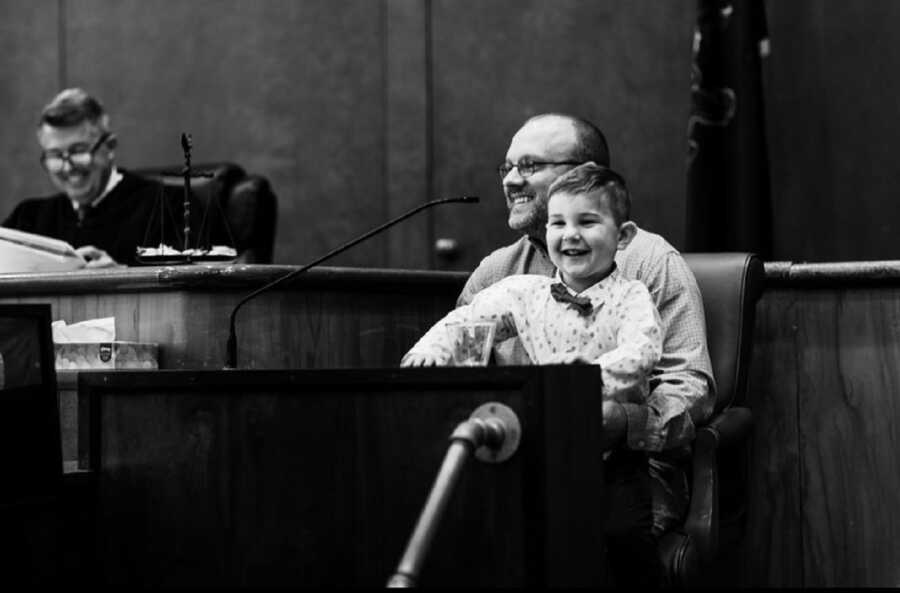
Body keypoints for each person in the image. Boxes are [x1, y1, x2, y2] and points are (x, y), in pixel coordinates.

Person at [457, 113, 716, 583]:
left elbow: (690, 385)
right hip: (520, 457)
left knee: (574, 535)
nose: (512, 180)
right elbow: (458, 368)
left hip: (631, 469)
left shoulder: (651, 262)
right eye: (507, 167)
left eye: (530, 165)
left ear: (582, 173)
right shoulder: (496, 275)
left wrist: (624, 425)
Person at [405, 162, 665, 586]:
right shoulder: (524, 293)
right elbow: (469, 324)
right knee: (539, 543)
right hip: (545, 447)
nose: (570, 234)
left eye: (588, 222)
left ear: (623, 237)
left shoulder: (632, 296)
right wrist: (430, 353)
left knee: (623, 541)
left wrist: (583, 380)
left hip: (612, 457)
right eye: (558, 223)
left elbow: (641, 353)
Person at [2, 88, 213, 267]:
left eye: (79, 151)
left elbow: (201, 287)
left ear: (109, 147)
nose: (68, 167)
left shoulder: (171, 208)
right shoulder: (27, 219)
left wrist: (120, 276)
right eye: (56, 155)